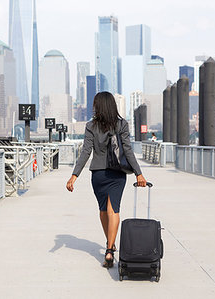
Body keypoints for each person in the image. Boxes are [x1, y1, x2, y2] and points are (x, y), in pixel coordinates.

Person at [66, 91, 147, 268]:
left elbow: (86, 152)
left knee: (103, 211)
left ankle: (109, 246)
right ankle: (110, 249)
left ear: (97, 106)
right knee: (113, 209)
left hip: (98, 174)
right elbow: (127, 150)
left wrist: (74, 176)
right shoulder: (122, 124)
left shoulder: (90, 126)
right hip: (117, 173)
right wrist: (138, 173)